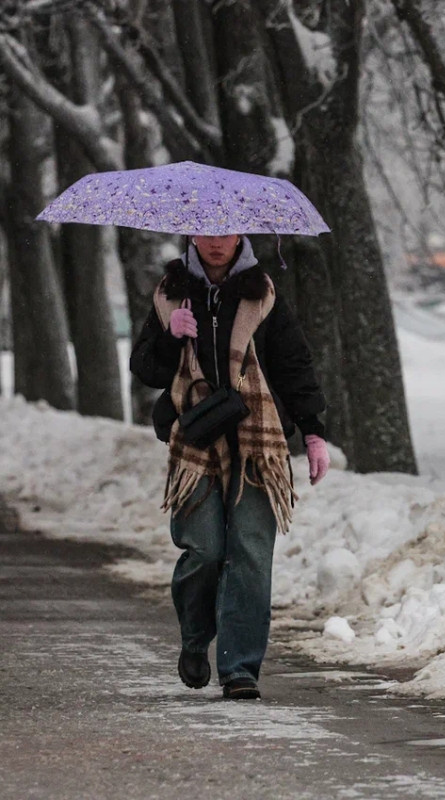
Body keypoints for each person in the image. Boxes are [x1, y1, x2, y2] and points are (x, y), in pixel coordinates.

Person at [130, 234, 330, 700]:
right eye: (207, 231)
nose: (216, 242)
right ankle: (196, 640)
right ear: (191, 234)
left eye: (226, 231)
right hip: (196, 439)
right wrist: (169, 335)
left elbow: (294, 364)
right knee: (203, 549)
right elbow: (147, 369)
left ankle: (240, 668)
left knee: (251, 554)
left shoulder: (264, 294)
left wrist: (314, 431)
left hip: (258, 440)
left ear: (240, 235)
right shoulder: (170, 294)